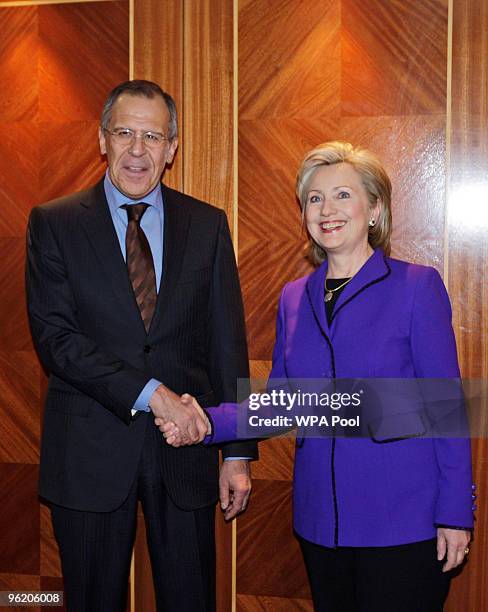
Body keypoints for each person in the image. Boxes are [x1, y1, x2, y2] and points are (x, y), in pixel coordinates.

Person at [160, 142, 475, 611]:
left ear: (375, 208)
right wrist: (203, 419)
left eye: (343, 195)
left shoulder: (417, 287)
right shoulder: (293, 297)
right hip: (320, 523)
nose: (326, 209)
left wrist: (455, 513)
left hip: (403, 523)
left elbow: (447, 409)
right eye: (314, 198)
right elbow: (282, 404)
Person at [26, 79, 257, 612]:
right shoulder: (54, 223)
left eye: (152, 136)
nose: (137, 149)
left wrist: (238, 452)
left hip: (186, 457)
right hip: (88, 456)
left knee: (191, 598)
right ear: (101, 139)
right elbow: (57, 342)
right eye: (124, 132)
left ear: (172, 148)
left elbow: (228, 344)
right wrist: (153, 393)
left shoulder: (207, 224)